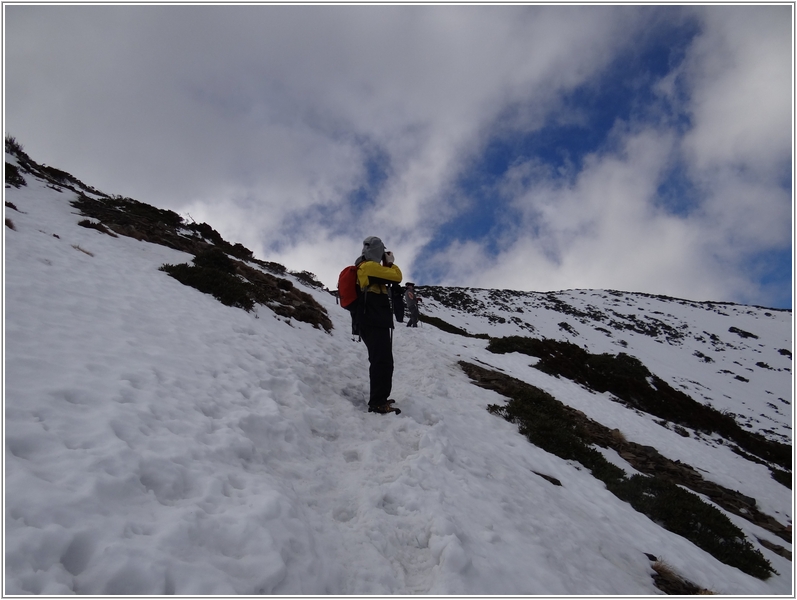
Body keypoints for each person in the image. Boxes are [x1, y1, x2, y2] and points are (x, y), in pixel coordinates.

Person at [355, 236, 403, 414]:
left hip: (371, 319)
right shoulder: (368, 266)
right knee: (382, 361)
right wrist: (390, 263)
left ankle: (380, 397)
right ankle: (377, 402)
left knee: (381, 360)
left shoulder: (366, 266)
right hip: (373, 320)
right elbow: (397, 277)